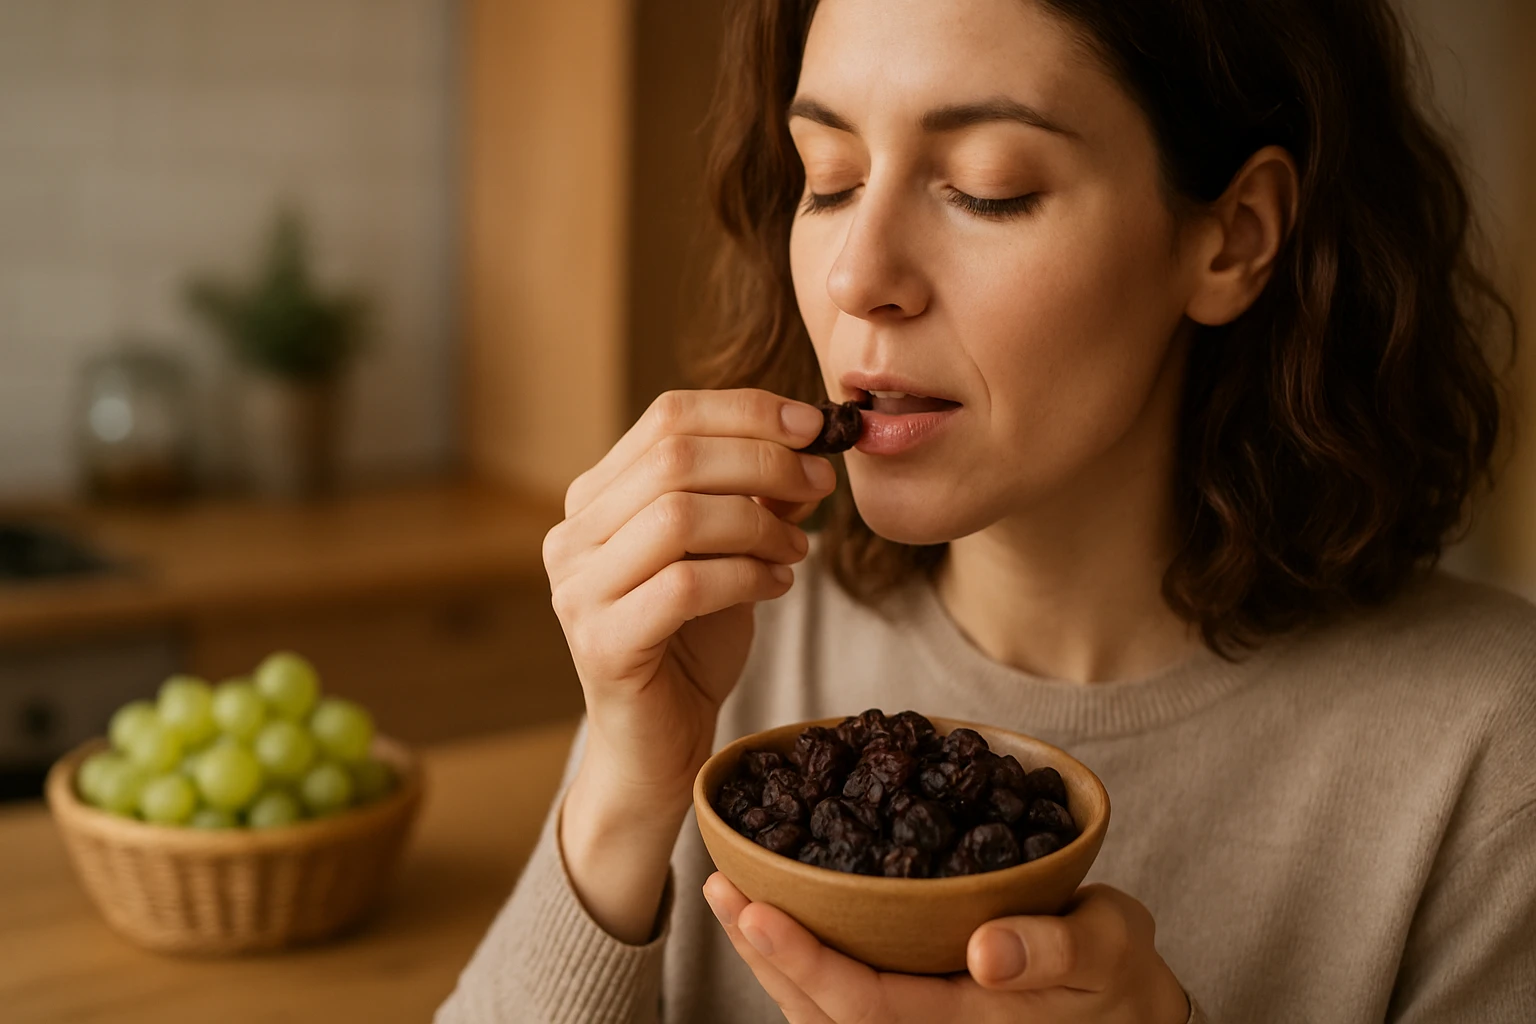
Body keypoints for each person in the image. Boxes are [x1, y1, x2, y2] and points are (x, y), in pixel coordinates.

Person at [437, 0, 1534, 1020]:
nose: (859, 276)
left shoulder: (1490, 757)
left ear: (1233, 237)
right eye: (828, 178)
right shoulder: (727, 646)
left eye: (988, 185)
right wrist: (624, 789)